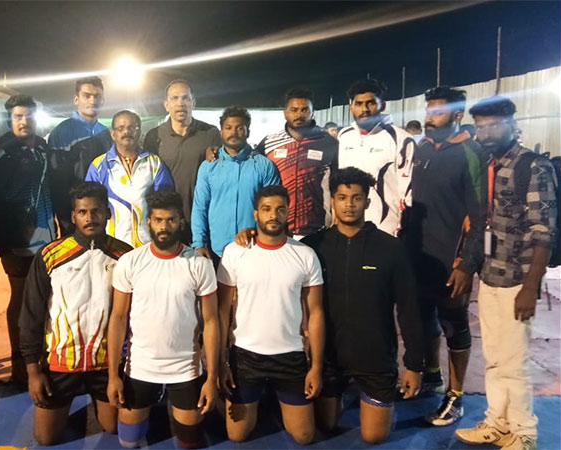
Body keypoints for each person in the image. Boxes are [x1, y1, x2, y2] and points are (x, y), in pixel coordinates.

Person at [455, 96, 558, 450]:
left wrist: (530, 287)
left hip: (518, 281)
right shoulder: (490, 165)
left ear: (513, 125)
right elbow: (483, 224)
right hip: (490, 276)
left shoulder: (534, 166)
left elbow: (543, 232)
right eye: (480, 127)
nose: (485, 133)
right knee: (495, 359)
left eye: (493, 125)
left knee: (514, 363)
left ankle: (524, 433)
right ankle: (497, 424)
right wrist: (471, 267)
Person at [301, 168, 424, 444]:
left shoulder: (390, 249)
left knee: (374, 436)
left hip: (375, 359)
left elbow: (409, 309)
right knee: (324, 425)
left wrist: (414, 364)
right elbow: (276, 250)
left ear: (367, 202)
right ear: (332, 201)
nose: (349, 204)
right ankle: (341, 394)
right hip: (328, 359)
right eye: (342, 198)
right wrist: (250, 234)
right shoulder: (313, 247)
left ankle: (367, 397)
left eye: (356, 198)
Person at [19, 182, 132, 446]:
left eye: (96, 211)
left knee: (113, 428)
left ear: (108, 213)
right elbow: (31, 315)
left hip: (107, 364)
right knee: (46, 439)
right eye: (83, 212)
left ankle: (101, 401)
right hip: (61, 363)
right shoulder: (50, 255)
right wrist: (33, 372)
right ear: (73, 216)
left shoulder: (125, 256)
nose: (90, 218)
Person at [107, 191, 219, 449]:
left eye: (170, 220)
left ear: (181, 221)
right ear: (149, 222)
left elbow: (212, 321)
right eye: (158, 220)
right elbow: (118, 318)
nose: (164, 226)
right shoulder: (130, 262)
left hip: (186, 367)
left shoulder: (199, 264)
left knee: (189, 444)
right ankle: (152, 404)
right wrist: (113, 375)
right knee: (128, 442)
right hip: (140, 366)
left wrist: (211, 378)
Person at [403, 86, 486, 427]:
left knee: (454, 325)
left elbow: (480, 216)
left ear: (457, 114)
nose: (430, 116)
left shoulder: (470, 152)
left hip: (451, 261)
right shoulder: (423, 147)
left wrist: (466, 264)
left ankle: (456, 396)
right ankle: (432, 376)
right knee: (424, 322)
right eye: (428, 110)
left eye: (437, 111)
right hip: (420, 257)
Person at [217, 185, 323, 445]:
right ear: (256, 214)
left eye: (280, 209)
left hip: (290, 355)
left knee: (304, 436)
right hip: (245, 356)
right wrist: (221, 362)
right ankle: (242, 400)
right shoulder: (234, 252)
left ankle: (273, 401)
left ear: (288, 212)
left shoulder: (305, 255)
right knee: (237, 435)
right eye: (266, 209)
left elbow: (316, 312)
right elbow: (220, 310)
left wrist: (316, 367)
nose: (273, 215)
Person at [0, 94, 58, 386]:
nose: (24, 122)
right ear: (9, 119)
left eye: (29, 116)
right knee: (21, 299)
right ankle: (19, 361)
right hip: (17, 244)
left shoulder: (43, 148)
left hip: (46, 239)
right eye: (18, 117)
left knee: (44, 299)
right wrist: (5, 244)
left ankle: (39, 356)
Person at [192, 106, 280, 263]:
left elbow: (273, 207)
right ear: (221, 132)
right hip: (216, 250)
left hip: (254, 248)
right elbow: (200, 207)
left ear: (248, 132)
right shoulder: (208, 166)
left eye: (239, 128)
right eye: (228, 128)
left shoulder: (264, 166)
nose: (233, 132)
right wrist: (199, 243)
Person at [143, 79, 222, 243]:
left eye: (185, 98)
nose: (180, 103)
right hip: (167, 221)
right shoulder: (154, 136)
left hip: (203, 218)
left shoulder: (210, 133)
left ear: (193, 103)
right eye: (175, 98)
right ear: (166, 105)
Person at [256, 89, 338, 238]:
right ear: (285, 113)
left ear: (312, 113)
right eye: (293, 110)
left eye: (304, 110)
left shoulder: (328, 142)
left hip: (317, 227)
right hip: (278, 226)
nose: (299, 115)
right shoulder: (269, 143)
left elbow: (337, 183)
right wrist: (217, 151)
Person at [85, 110, 174, 248]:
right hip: (111, 245)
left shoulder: (154, 163)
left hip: (147, 244)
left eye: (132, 127)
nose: (126, 132)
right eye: (121, 128)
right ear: (113, 134)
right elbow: (90, 206)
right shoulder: (98, 166)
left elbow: (165, 204)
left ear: (140, 132)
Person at [338, 79, 415, 236]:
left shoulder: (400, 139)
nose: (364, 109)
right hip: (348, 229)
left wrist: (402, 231)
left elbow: (409, 193)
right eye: (358, 104)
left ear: (383, 105)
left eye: (371, 103)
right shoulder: (344, 136)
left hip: (385, 230)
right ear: (351, 107)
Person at [47, 77, 111, 232]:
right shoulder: (61, 133)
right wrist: (67, 218)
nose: (92, 101)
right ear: (76, 99)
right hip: (74, 216)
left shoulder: (106, 133)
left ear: (103, 101)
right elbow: (57, 181)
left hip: (102, 213)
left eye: (97, 96)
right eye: (87, 96)